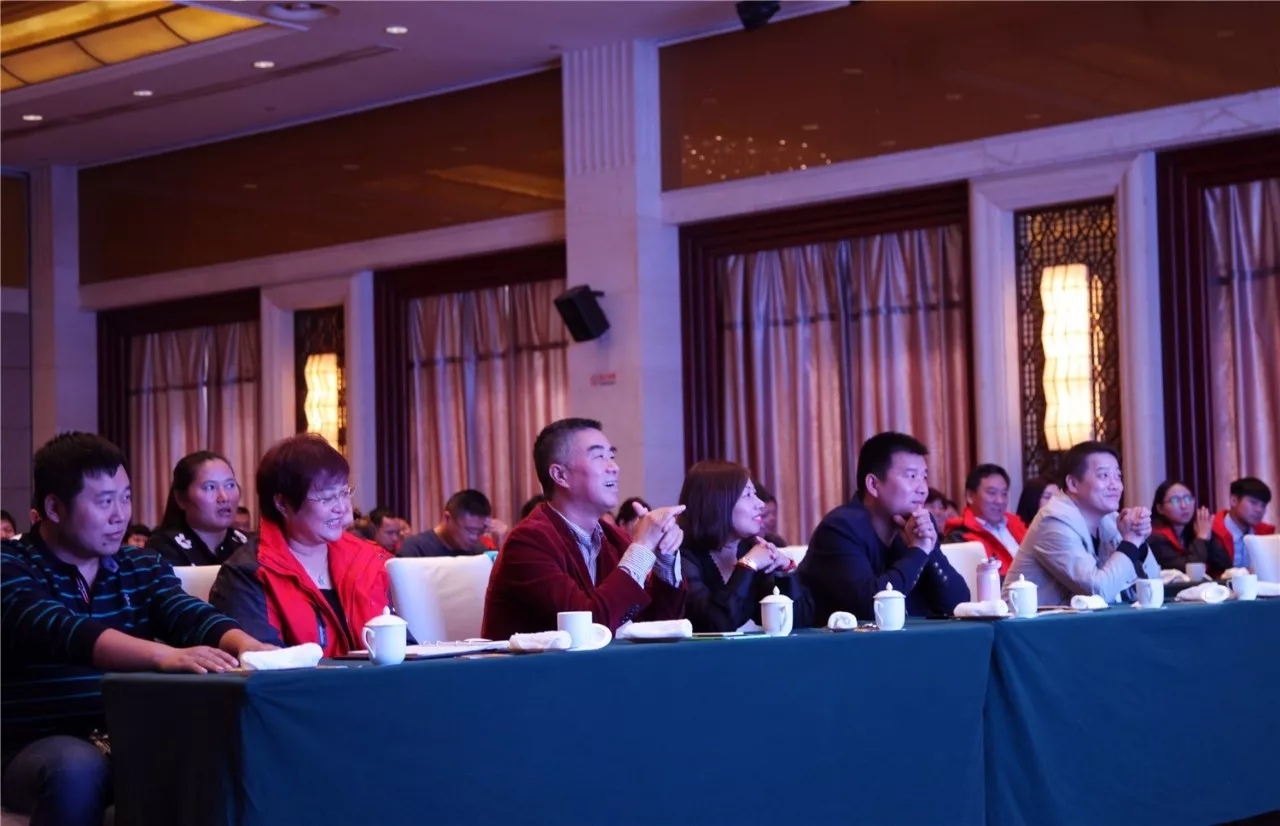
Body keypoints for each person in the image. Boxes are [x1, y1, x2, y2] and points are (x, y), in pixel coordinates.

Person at [1, 433, 270, 826]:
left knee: (221, 748)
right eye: (104, 501)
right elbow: (61, 628)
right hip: (33, 744)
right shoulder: (11, 564)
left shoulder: (140, 565)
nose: (120, 515)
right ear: (54, 508)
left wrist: (247, 645)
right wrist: (164, 656)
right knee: (76, 769)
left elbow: (186, 614)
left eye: (125, 498)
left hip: (128, 730)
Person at [482, 418, 687, 638]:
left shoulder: (613, 538)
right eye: (599, 457)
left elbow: (653, 627)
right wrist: (642, 546)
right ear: (560, 475)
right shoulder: (528, 542)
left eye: (612, 456)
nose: (614, 467)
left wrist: (664, 554)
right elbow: (587, 629)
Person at [210, 434, 398, 657]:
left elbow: (400, 644)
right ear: (283, 504)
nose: (341, 507)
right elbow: (266, 661)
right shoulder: (247, 573)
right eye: (326, 498)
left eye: (344, 493)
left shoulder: (366, 558)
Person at [800, 432, 969, 622]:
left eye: (924, 477)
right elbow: (873, 609)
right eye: (911, 476)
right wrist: (918, 552)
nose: (923, 489)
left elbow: (957, 604)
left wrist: (929, 547)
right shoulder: (839, 529)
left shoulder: (913, 526)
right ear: (874, 484)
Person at [1003, 441, 1159, 605]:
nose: (1116, 486)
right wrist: (1131, 542)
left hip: (1081, 619)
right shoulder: (1053, 521)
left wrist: (1138, 541)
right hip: (1031, 620)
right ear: (1073, 484)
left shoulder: (1111, 520)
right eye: (1104, 476)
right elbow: (1098, 592)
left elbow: (1151, 586)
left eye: (1118, 476)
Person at [678, 461, 812, 632]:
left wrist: (785, 570)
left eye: (755, 494)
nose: (760, 504)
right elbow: (715, 624)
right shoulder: (683, 556)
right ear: (718, 503)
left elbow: (799, 622)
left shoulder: (751, 548)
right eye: (748, 495)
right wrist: (748, 565)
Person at [145, 451, 249, 568]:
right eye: (210, 487)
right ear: (181, 499)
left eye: (230, 485)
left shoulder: (251, 546)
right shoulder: (163, 549)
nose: (224, 497)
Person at [943, 464, 1027, 576]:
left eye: (1004, 494)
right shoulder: (958, 537)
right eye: (992, 493)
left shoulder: (1016, 526)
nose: (1000, 501)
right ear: (970, 496)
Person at [1148, 480, 1232, 577]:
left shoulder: (1195, 529)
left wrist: (1208, 536)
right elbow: (1191, 572)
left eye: (1187, 498)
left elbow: (1225, 566)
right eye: (1175, 500)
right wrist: (1201, 538)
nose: (1183, 505)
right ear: (1160, 509)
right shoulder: (1155, 539)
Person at [399, 490, 496, 557]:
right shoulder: (415, 550)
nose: (474, 537)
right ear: (447, 518)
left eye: (480, 531)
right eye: (469, 530)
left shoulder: (479, 552)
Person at [1211, 477, 1275, 571]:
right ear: (1234, 501)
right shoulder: (1210, 531)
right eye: (1253, 503)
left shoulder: (1265, 535)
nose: (1259, 510)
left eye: (1263, 505)